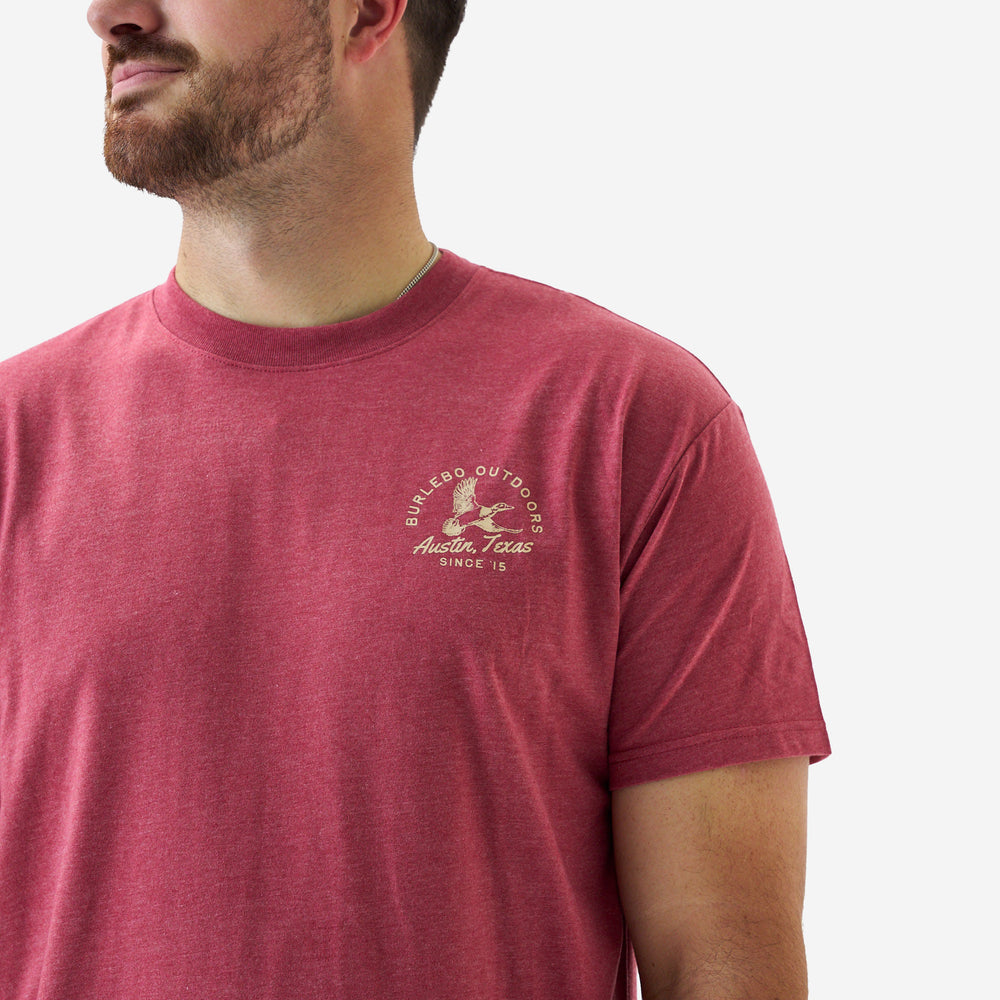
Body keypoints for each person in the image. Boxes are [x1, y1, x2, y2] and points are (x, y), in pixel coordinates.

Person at [0, 1, 831, 997]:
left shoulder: (630, 424)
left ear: (369, 12)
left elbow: (721, 960)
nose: (112, 14)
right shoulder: (13, 438)